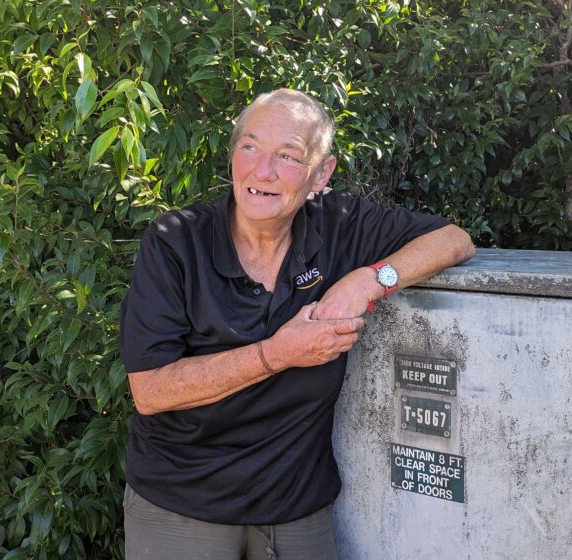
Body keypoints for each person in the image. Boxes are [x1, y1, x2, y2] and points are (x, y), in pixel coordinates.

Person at [119, 88, 475, 559]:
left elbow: (453, 239)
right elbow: (151, 391)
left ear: (320, 174)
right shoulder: (175, 242)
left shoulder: (339, 225)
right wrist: (277, 354)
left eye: (287, 156)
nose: (261, 171)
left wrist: (368, 281)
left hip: (296, 509)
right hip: (181, 505)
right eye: (249, 147)